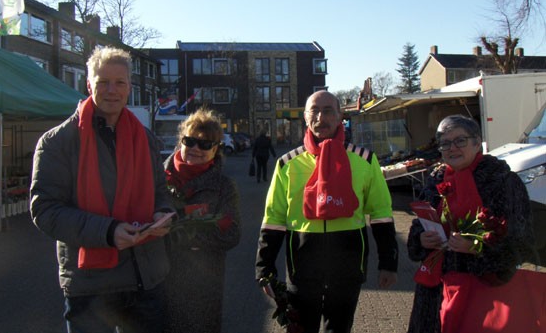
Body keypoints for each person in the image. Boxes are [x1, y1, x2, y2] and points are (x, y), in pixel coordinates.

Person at [30, 46, 172, 333]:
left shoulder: (144, 138)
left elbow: (161, 191)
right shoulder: (57, 142)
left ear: (129, 87)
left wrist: (164, 214)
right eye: (103, 82)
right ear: (88, 83)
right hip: (91, 287)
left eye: (119, 83)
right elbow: (45, 211)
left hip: (146, 277)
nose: (111, 90)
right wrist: (108, 231)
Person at [255, 90, 398, 333]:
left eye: (329, 110)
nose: (321, 117)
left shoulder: (365, 160)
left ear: (340, 116)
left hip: (347, 267)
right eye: (315, 111)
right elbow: (274, 218)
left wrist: (389, 263)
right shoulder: (286, 164)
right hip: (302, 268)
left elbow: (382, 214)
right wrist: (264, 268)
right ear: (306, 117)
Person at [407, 115, 536, 333]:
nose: (452, 148)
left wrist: (476, 248)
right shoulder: (436, 181)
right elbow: (416, 232)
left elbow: (523, 243)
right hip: (434, 295)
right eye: (445, 143)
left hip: (485, 293)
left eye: (460, 140)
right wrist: (421, 239)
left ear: (477, 143)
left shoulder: (502, 181)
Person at [162, 108, 241, 333]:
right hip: (158, 279)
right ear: (181, 142)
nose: (196, 149)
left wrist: (181, 231)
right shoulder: (157, 178)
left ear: (215, 150)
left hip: (202, 284)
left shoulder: (224, 186)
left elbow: (231, 233)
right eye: (190, 141)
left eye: (206, 145)